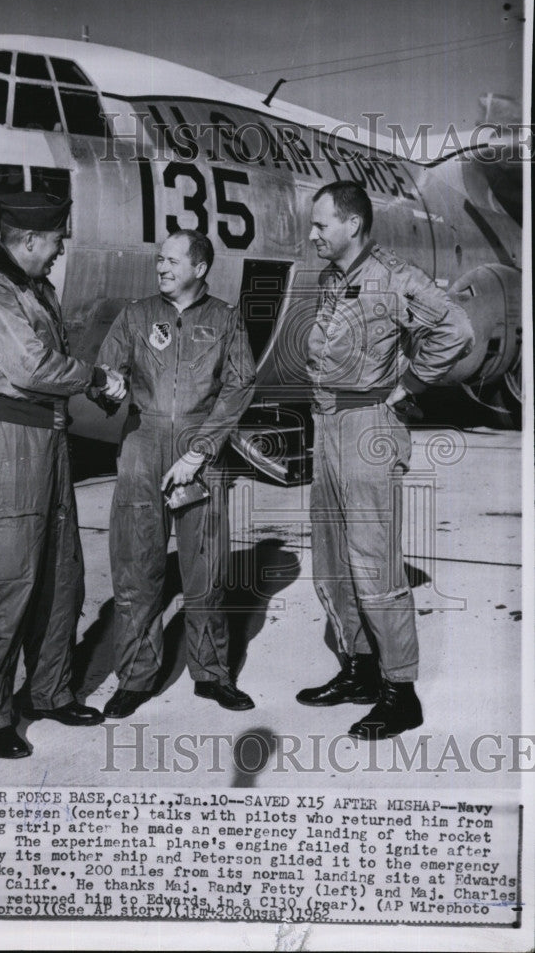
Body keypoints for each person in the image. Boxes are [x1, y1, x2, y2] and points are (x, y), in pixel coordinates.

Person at [0, 192, 126, 759]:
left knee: (60, 573)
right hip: (8, 441)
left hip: (49, 436)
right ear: (28, 241)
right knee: (10, 582)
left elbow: (48, 371)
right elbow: (30, 367)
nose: (59, 253)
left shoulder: (34, 289)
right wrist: (95, 377)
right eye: (55, 242)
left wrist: (83, 385)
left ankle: (49, 691)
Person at [298, 181, 474, 739]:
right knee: (331, 559)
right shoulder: (332, 278)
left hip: (369, 427)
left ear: (353, 224)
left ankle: (401, 692)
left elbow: (457, 329)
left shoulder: (395, 277)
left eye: (322, 224)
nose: (313, 234)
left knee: (373, 564)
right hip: (327, 425)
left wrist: (411, 384)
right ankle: (360, 669)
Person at [96, 230, 257, 718]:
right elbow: (104, 372)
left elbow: (239, 385)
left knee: (205, 571)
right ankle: (137, 677)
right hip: (142, 445)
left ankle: (211, 674)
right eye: (159, 260)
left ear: (200, 267)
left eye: (171, 260)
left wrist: (202, 448)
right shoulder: (136, 315)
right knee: (137, 567)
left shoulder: (225, 320)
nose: (161, 266)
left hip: (198, 452)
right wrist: (109, 386)